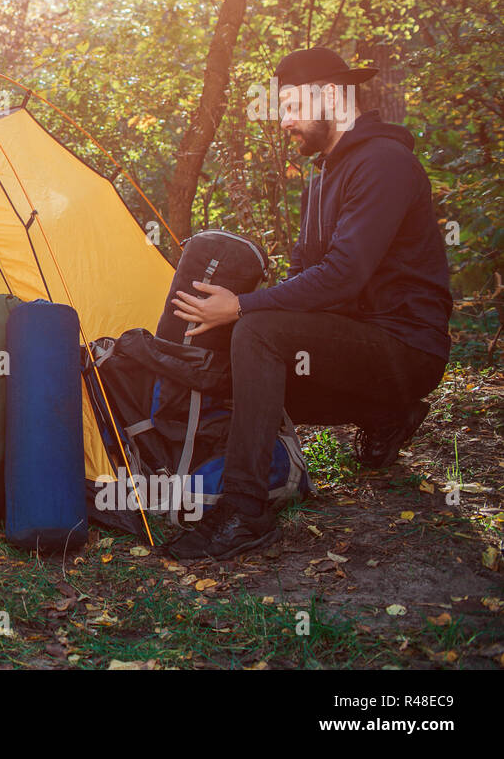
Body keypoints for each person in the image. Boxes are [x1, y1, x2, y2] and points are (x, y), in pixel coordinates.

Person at [167, 46, 452, 561]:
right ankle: (388, 412)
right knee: (240, 355)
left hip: (406, 346)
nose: (284, 122)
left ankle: (246, 510)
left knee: (255, 331)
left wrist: (242, 308)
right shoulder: (323, 177)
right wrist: (231, 318)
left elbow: (343, 275)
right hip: (356, 348)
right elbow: (305, 274)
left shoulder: (385, 163)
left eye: (294, 107)